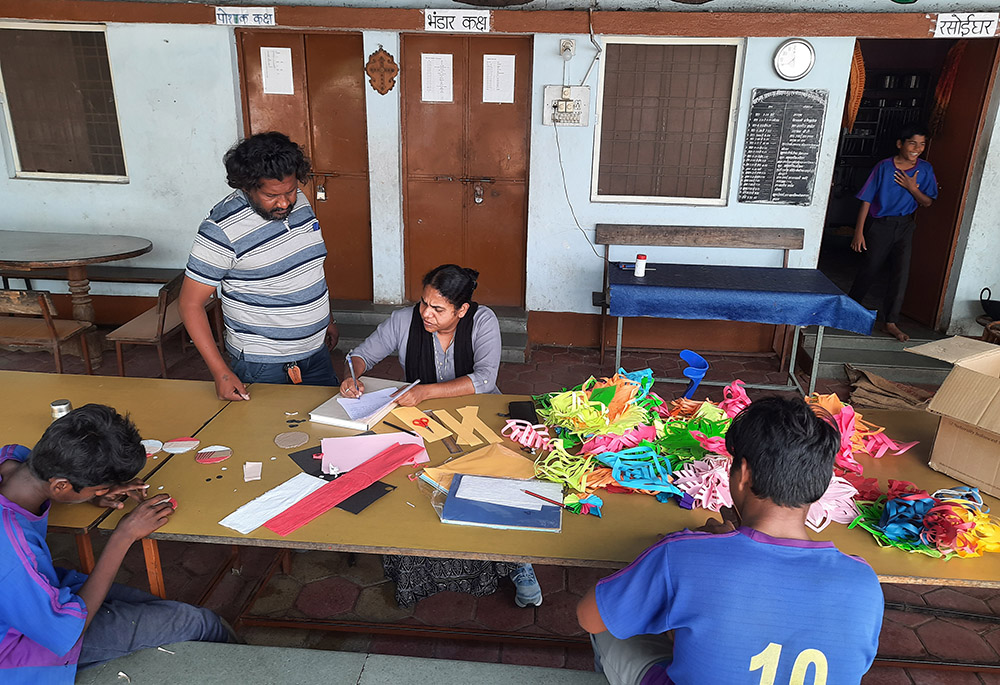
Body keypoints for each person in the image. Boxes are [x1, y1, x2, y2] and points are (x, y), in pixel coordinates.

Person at [577, 396, 883, 685]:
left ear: (744, 473)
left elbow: (589, 617)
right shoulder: (864, 582)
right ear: (822, 482)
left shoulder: (683, 555)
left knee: (611, 623)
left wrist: (702, 548)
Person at [342, 264, 541, 608]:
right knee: (420, 484)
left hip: (480, 416)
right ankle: (418, 564)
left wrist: (425, 392)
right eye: (423, 304)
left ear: (461, 310)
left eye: (438, 309)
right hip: (423, 421)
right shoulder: (404, 321)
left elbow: (483, 378)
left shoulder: (483, 321)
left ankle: (519, 562)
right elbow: (360, 354)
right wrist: (352, 376)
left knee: (496, 482)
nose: (426, 314)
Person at [0, 404, 232, 684]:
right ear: (60, 485)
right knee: (199, 623)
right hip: (24, 646)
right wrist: (124, 535)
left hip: (34, 599)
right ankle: (253, 672)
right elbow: (63, 629)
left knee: (157, 608)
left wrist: (90, 493)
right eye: (98, 488)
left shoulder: (13, 462)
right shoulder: (12, 550)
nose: (104, 491)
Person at [180, 131, 339, 401]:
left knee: (328, 432)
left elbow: (310, 269)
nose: (285, 202)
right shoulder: (221, 230)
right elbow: (189, 304)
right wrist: (221, 372)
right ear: (246, 186)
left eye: (290, 190)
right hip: (263, 365)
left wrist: (328, 319)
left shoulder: (299, 203)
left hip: (316, 353)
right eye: (272, 195)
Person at [848, 123, 938, 342]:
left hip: (905, 225)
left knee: (901, 273)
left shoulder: (925, 170)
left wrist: (913, 188)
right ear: (900, 144)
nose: (917, 148)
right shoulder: (884, 167)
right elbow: (867, 200)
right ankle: (850, 311)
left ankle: (891, 322)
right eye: (912, 143)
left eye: (922, 144)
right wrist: (858, 232)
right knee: (870, 268)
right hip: (881, 225)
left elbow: (927, 202)